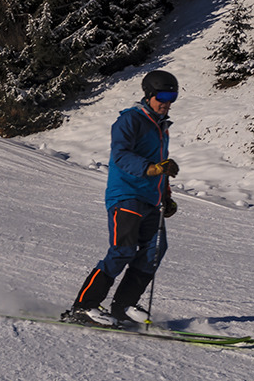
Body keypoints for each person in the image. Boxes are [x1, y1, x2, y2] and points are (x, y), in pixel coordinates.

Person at [62, 69, 181, 326]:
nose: (166, 102)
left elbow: (161, 167)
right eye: (162, 95)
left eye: (172, 97)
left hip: (151, 200)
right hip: (126, 195)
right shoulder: (131, 120)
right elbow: (121, 155)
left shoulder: (162, 127)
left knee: (154, 251)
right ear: (148, 94)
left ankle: (122, 306)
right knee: (123, 250)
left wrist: (166, 195)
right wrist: (152, 168)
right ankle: (83, 307)